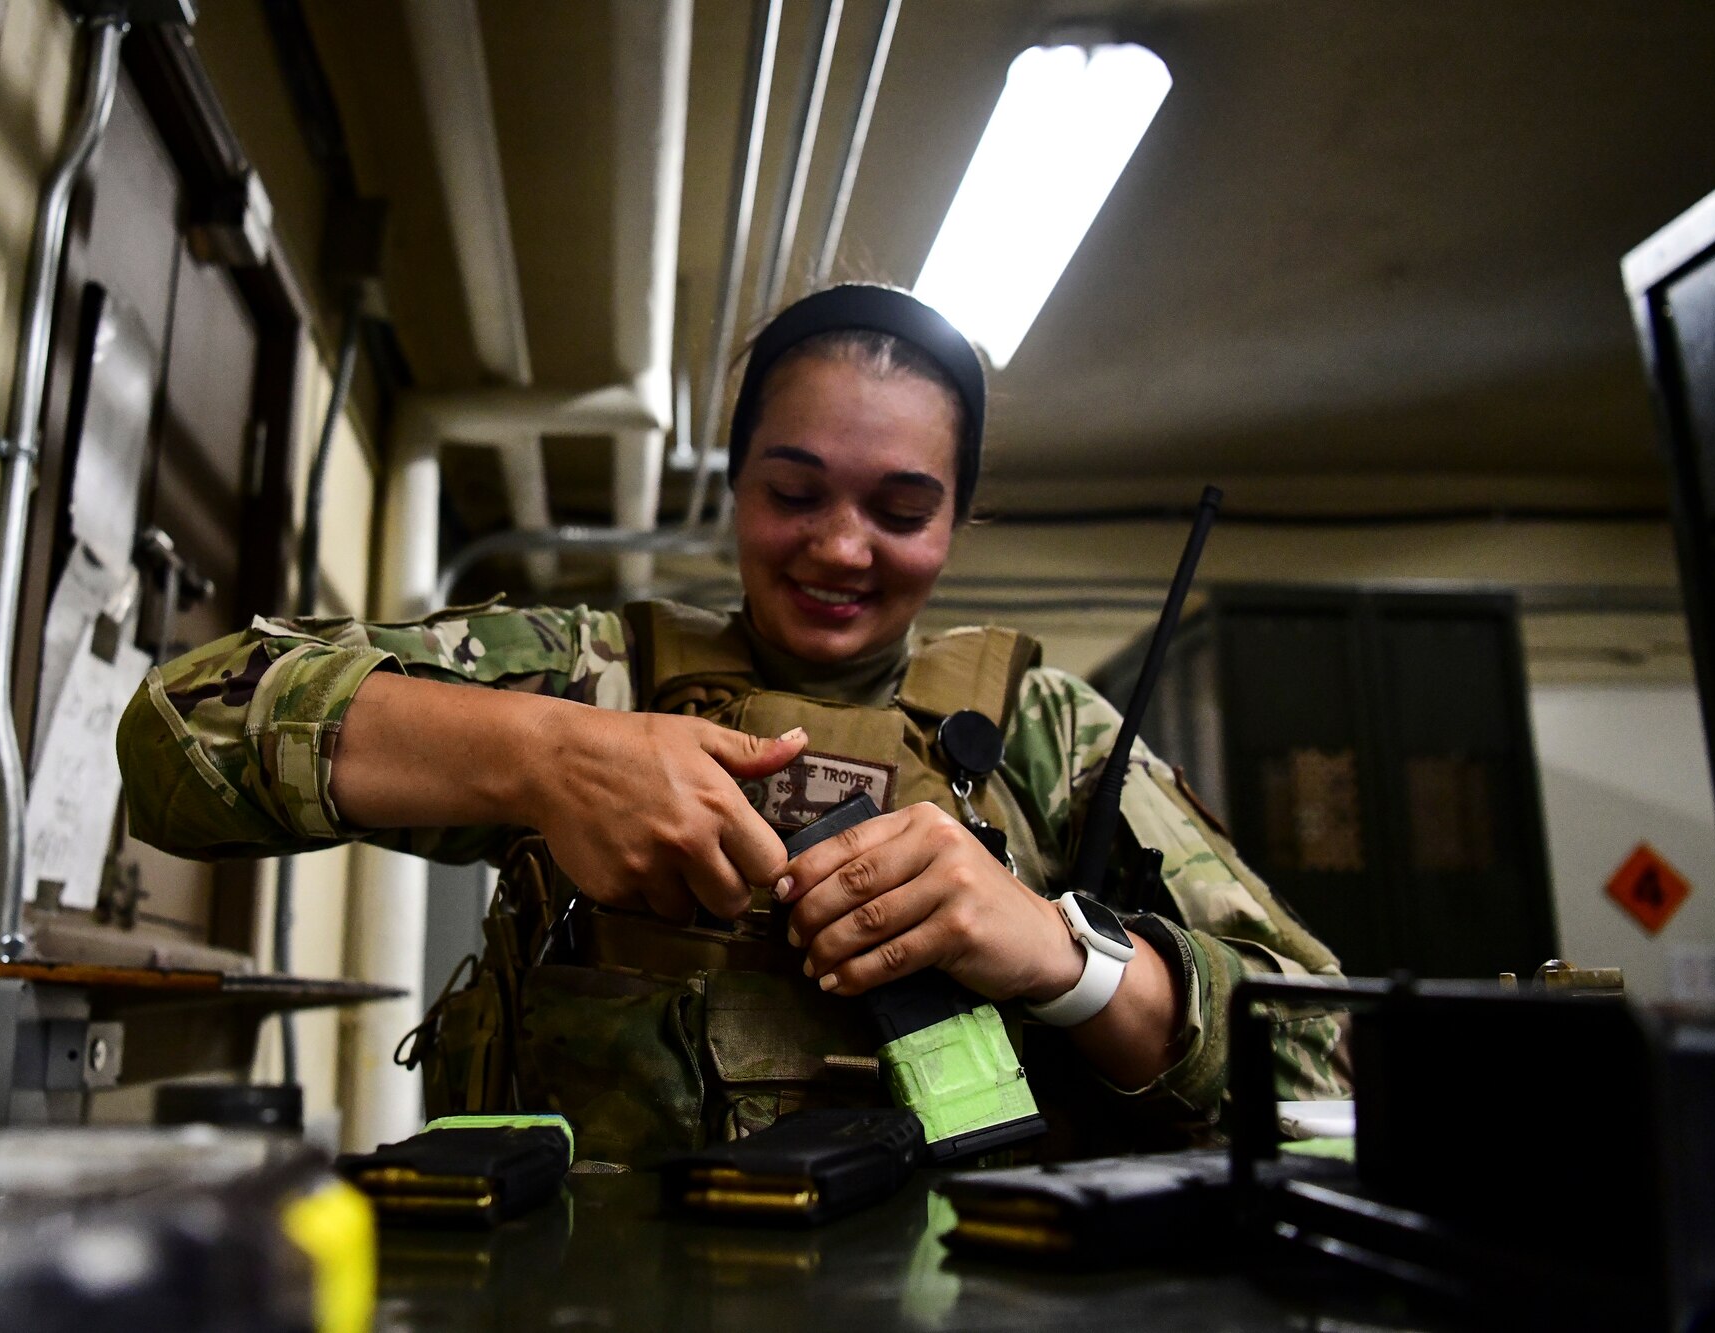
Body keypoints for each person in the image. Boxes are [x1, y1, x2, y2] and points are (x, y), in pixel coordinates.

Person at [118, 284, 1347, 1164]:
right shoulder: (592, 673)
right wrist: (542, 756)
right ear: (734, 483)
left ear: (959, 518)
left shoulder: (1051, 735)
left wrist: (1063, 959)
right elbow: (176, 736)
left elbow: (1331, 1060)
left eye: (901, 507)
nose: (838, 547)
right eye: (792, 491)